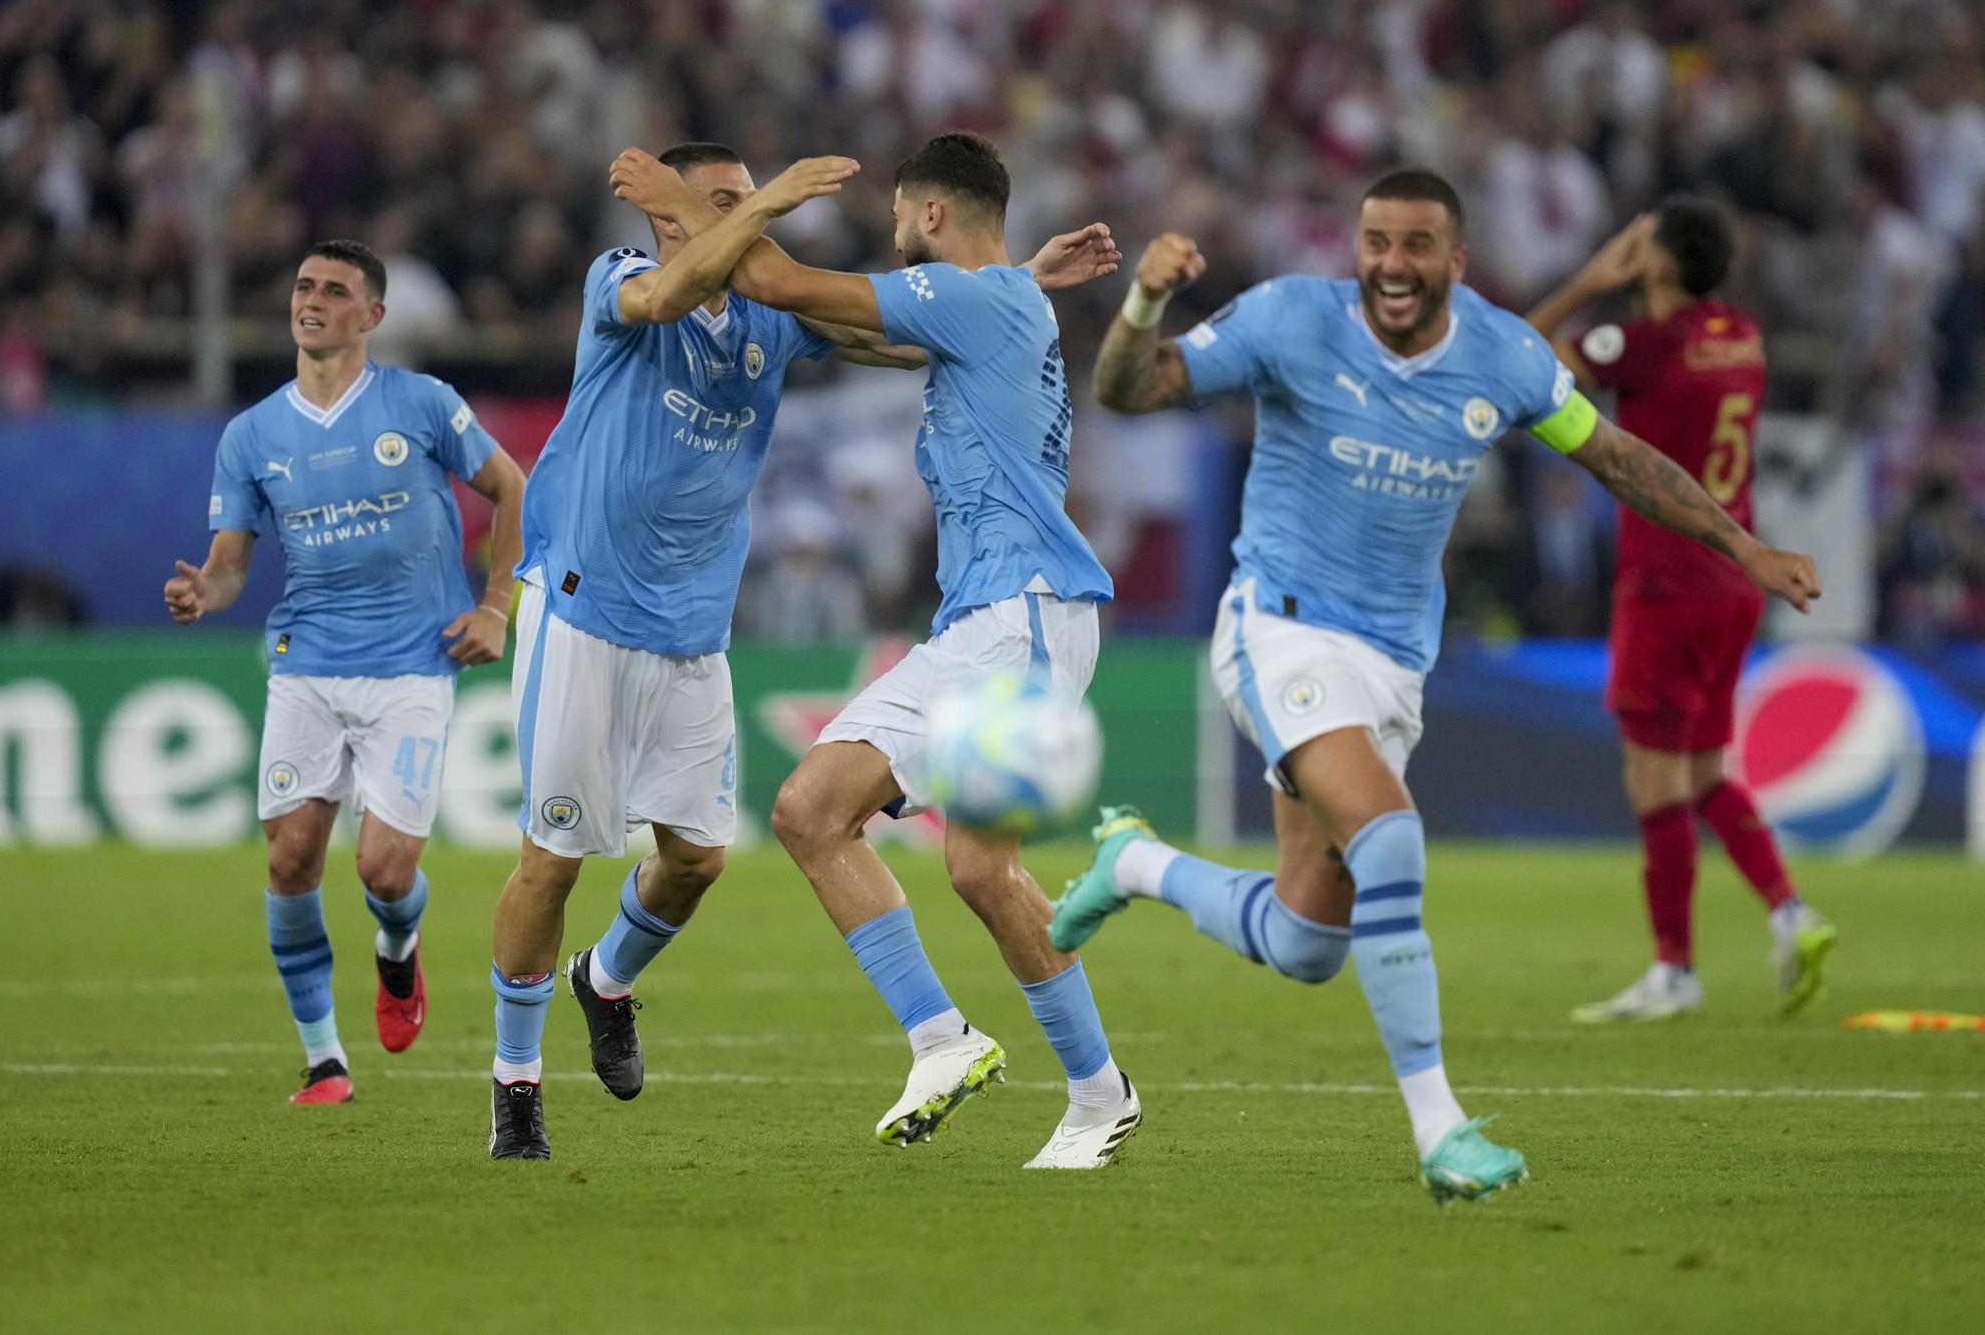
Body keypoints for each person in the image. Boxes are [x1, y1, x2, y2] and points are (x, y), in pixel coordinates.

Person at [1055, 169, 1821, 1202]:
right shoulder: (1289, 318)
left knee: (1304, 941)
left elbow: (1621, 460)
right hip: (1277, 631)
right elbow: (1126, 388)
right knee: (1392, 837)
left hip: (1389, 665)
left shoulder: (1501, 356)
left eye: (1415, 246)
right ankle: (1438, 1130)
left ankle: (1133, 863)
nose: (1391, 265)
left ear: (1454, 261)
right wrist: (1144, 299)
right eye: (1375, 242)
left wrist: (1742, 546)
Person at [488, 139, 1121, 1161]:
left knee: (808, 811)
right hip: (590, 605)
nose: (756, 216)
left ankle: (940, 1038)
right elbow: (741, 298)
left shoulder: (791, 307)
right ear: (666, 218)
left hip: (1013, 613)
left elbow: (805, 289)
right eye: (727, 202)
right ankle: (1095, 1093)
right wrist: (1013, 283)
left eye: (755, 200)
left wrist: (998, 284)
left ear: (926, 215)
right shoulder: (621, 279)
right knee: (977, 872)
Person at [164, 239, 526, 1106]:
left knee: (384, 871)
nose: (312, 300)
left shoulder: (422, 402)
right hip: (308, 666)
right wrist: (204, 593)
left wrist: (496, 605)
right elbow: (230, 561)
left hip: (412, 665)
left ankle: (398, 955)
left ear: (373, 316)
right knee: (291, 859)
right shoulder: (253, 434)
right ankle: (326, 1061)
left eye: (335, 290)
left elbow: (512, 487)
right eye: (303, 286)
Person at [1527, 199, 1837, 1023]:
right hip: (1736, 579)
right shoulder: (1741, 332)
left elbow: (1519, 358)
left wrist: (1595, 276)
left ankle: (1674, 969)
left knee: (1653, 778)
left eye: (1643, 241)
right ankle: (1789, 911)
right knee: (1702, 773)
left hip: (1666, 579)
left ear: (1656, 266)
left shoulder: (1644, 343)